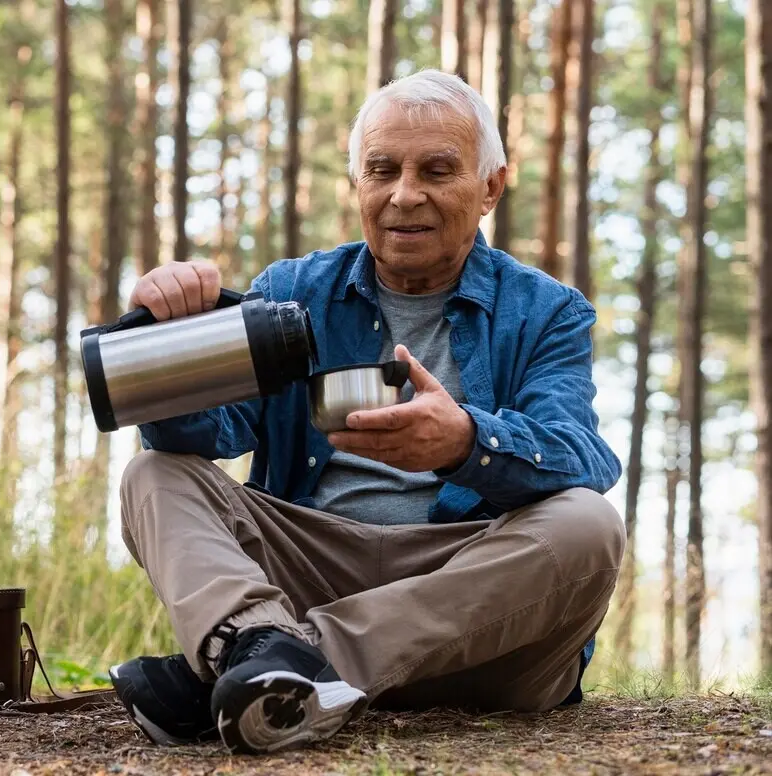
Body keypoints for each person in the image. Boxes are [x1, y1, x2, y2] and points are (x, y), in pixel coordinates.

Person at [107, 68, 624, 756]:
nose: (404, 194)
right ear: (358, 183)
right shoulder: (291, 291)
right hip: (312, 565)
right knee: (154, 474)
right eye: (382, 170)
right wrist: (165, 342)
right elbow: (204, 435)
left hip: (472, 602)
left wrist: (466, 442)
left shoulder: (547, 310)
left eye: (436, 170)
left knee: (589, 524)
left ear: (491, 187)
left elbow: (581, 455)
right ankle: (262, 648)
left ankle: (282, 661)